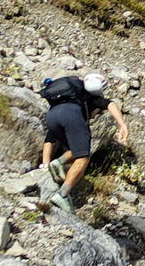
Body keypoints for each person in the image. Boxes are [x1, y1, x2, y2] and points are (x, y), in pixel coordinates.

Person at [38, 71, 128, 215]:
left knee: (76, 149)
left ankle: (57, 163)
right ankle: (62, 194)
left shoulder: (69, 97)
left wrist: (45, 164)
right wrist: (122, 124)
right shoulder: (92, 99)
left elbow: (50, 139)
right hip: (72, 117)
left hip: (52, 116)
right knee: (83, 157)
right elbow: (111, 104)